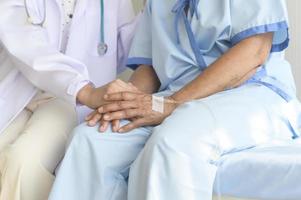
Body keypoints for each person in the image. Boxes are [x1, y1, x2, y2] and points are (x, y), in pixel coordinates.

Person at [49, 0, 301, 199]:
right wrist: (125, 102)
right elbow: (151, 67)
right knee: (90, 139)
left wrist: (169, 105)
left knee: (172, 141)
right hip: (175, 99)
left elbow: (254, 51)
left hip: (250, 93)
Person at [0, 0, 138, 199]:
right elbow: (24, 42)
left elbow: (130, 49)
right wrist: (84, 90)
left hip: (69, 102)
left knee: (24, 161)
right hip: (22, 89)